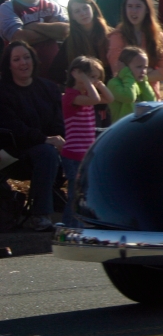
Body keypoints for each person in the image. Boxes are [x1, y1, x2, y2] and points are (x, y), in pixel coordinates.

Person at [0, 41, 64, 231]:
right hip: (14, 153)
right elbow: (14, 128)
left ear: (34, 60)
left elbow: (58, 122)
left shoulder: (49, 88)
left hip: (51, 148)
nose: (23, 63)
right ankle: (40, 216)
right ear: (9, 65)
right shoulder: (3, 91)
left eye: (26, 57)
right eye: (17, 59)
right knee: (46, 152)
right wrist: (45, 140)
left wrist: (59, 138)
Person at [60, 56, 113, 227]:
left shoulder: (87, 94)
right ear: (77, 74)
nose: (95, 81)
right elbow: (96, 99)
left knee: (84, 193)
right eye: (92, 76)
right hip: (73, 155)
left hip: (85, 155)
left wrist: (98, 83)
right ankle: (69, 226)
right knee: (74, 195)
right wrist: (83, 79)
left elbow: (109, 98)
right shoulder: (71, 96)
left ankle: (80, 225)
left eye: (97, 77)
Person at [0, 0, 70, 75]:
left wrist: (33, 26)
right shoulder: (7, 8)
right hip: (20, 81)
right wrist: (51, 29)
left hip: (52, 79)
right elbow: (19, 38)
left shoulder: (52, 6)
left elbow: (67, 30)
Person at [107, 0, 163, 96]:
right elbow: (118, 69)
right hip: (127, 98)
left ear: (147, 9)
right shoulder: (117, 36)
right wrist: (149, 72)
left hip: (151, 98)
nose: (133, 11)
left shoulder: (159, 37)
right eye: (130, 6)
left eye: (138, 6)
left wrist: (134, 72)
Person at [47, 0, 112, 83]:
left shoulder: (111, 35)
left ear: (92, 8)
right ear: (72, 16)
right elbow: (55, 72)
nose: (83, 13)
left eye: (85, 8)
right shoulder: (70, 42)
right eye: (77, 11)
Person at [108, 46, 155, 123]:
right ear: (124, 67)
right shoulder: (113, 83)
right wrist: (126, 73)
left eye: (145, 67)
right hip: (122, 129)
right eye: (139, 67)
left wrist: (143, 82)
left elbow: (152, 102)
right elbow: (129, 97)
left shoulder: (139, 83)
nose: (143, 71)